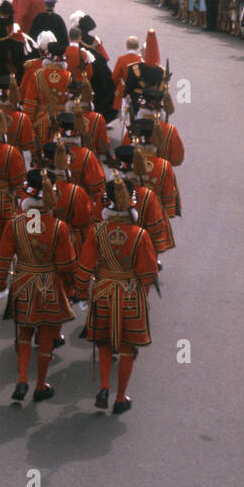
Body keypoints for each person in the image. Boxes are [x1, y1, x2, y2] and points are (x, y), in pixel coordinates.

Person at [75, 176, 158, 413]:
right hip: (131, 295)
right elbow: (148, 273)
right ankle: (120, 397)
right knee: (127, 348)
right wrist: (144, 297)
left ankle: (103, 386)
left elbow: (84, 267)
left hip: (103, 291)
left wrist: (81, 293)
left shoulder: (97, 231)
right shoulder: (140, 234)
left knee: (103, 343)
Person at [0, 168, 75, 402]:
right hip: (49, 283)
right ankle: (40, 384)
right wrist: (72, 289)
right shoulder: (59, 227)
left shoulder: (15, 223)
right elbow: (66, 264)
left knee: (24, 334)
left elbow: (3, 257)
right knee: (47, 337)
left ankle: (21, 379)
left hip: (23, 283)